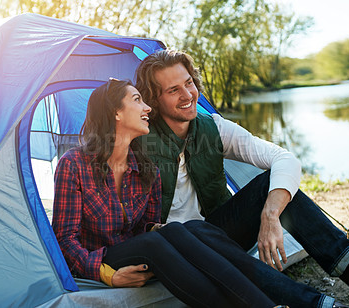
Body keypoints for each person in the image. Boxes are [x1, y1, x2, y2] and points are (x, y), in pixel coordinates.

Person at [52, 78, 310, 307]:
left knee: (180, 229)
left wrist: (170, 233)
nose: (148, 109)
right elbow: (64, 240)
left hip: (141, 251)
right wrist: (107, 274)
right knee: (158, 240)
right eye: (137, 100)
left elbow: (144, 228)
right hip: (105, 258)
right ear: (116, 113)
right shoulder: (74, 164)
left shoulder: (145, 167)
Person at [135, 49, 349, 307]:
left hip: (215, 232)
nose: (188, 95)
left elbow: (284, 159)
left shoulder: (214, 127)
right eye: (173, 90)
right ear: (154, 99)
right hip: (172, 248)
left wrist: (270, 215)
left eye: (188, 83)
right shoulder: (136, 141)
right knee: (200, 237)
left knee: (273, 185)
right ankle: (322, 305)